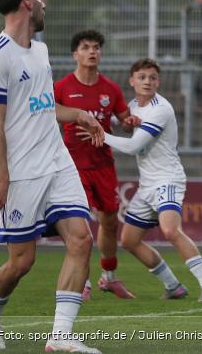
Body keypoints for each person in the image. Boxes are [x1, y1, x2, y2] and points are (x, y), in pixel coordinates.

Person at [0, 0, 105, 353]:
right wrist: (1, 180)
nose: (43, 1)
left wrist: (78, 114)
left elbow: (43, 106)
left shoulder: (41, 50)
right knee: (21, 262)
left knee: (82, 239)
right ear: (26, 2)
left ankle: (62, 337)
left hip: (57, 161)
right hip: (20, 173)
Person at [93, 59, 202, 302]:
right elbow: (120, 122)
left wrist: (101, 135)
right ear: (132, 81)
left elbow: (132, 146)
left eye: (152, 77)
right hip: (147, 184)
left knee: (170, 230)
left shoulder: (161, 109)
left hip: (167, 179)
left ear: (158, 82)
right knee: (129, 240)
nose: (147, 82)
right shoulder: (132, 106)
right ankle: (173, 286)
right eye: (142, 77)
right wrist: (121, 123)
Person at [54, 30, 138, 299]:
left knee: (110, 221)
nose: (92, 52)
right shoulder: (63, 87)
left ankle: (109, 277)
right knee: (80, 227)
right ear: (74, 54)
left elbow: (125, 121)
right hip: (73, 167)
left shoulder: (110, 89)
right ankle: (84, 282)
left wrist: (129, 123)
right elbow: (45, 114)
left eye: (96, 47)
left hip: (103, 165)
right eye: (86, 47)